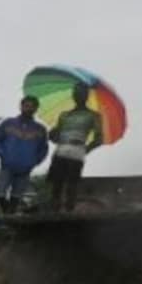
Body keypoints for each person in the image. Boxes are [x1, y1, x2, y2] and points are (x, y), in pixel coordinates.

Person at [46, 83, 104, 211]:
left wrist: (86, 149)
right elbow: (56, 134)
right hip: (61, 150)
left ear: (87, 96)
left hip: (77, 151)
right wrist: (52, 135)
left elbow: (100, 138)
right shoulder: (64, 115)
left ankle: (69, 211)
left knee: (72, 183)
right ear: (73, 95)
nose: (78, 94)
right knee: (56, 183)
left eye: (82, 92)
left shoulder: (93, 115)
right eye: (76, 92)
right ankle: (54, 212)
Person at [0, 96, 50, 213]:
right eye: (27, 106)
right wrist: (2, 154)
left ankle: (10, 219)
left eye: (32, 107)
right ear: (21, 106)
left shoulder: (40, 129)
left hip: (25, 169)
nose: (29, 109)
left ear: (36, 109)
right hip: (7, 165)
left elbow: (43, 149)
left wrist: (34, 161)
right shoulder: (8, 123)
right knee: (0, 193)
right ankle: (8, 214)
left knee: (16, 198)